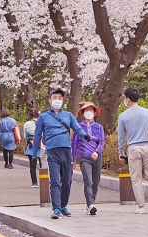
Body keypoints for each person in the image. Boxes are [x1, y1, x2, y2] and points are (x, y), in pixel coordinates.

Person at [33, 89, 91, 219]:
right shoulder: (43, 117)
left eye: (60, 98)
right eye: (55, 97)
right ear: (49, 100)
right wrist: (34, 153)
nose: (57, 100)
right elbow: (37, 135)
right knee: (54, 180)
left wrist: (85, 135)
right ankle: (56, 209)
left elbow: (76, 128)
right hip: (52, 151)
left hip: (66, 151)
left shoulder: (68, 115)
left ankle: (64, 205)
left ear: (63, 100)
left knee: (67, 180)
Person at [117, 87, 148, 214]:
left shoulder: (123, 116)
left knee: (136, 179)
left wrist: (121, 152)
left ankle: (141, 207)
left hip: (133, 148)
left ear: (128, 99)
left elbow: (121, 137)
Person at [72, 101, 105, 215]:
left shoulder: (99, 127)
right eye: (86, 110)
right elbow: (74, 143)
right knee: (88, 181)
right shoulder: (79, 127)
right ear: (83, 112)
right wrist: (73, 158)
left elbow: (101, 142)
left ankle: (91, 203)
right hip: (84, 157)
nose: (88, 112)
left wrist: (97, 152)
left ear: (95, 113)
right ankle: (91, 204)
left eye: (91, 110)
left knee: (95, 182)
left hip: (97, 158)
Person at [24, 108, 41, 187]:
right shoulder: (42, 122)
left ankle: (34, 183)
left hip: (31, 146)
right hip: (41, 146)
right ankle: (45, 181)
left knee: (32, 165)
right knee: (43, 165)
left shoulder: (27, 124)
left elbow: (25, 136)